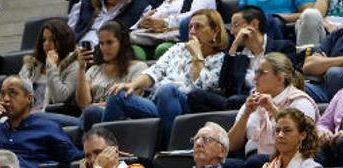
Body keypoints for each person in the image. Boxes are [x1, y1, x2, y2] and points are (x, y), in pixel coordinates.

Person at [103, 9, 228, 147]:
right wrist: (132, 85)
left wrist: (197, 56)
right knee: (117, 94)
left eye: (198, 27)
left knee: (167, 90)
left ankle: (169, 149)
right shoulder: (178, 48)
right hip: (157, 101)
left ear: (215, 31)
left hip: (186, 104)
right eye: (190, 27)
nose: (192, 31)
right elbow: (155, 71)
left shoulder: (220, 59)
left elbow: (202, 86)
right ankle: (105, 153)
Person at [187, 7, 298, 115]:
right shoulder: (239, 53)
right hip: (240, 101)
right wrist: (234, 46)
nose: (231, 31)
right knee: (195, 96)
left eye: (236, 25)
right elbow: (224, 85)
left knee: (234, 101)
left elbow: (287, 81)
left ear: (254, 24)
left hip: (270, 99)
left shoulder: (283, 47)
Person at [226, 52, 319, 168]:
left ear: (280, 78)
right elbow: (231, 145)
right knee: (216, 164)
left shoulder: (300, 102)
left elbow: (305, 140)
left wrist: (272, 108)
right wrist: (246, 114)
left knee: (256, 162)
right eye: (255, 73)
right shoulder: (253, 101)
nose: (255, 78)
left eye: (261, 73)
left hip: (286, 161)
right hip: (250, 159)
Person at [75, 20, 149, 131]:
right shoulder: (94, 70)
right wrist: (81, 68)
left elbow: (129, 101)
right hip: (87, 118)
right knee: (42, 118)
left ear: (122, 43)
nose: (104, 48)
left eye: (109, 43)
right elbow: (83, 103)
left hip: (121, 120)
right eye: (101, 43)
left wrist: (93, 107)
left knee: (92, 112)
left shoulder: (138, 67)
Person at [19, 19, 80, 124]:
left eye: (52, 39)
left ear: (63, 40)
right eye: (44, 40)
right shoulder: (32, 65)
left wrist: (51, 66)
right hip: (27, 116)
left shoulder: (74, 65)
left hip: (52, 118)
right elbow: (17, 91)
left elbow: (59, 98)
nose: (46, 44)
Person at [129, 0, 217, 55]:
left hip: (180, 34)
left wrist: (165, 23)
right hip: (154, 33)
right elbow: (150, 17)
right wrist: (143, 23)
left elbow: (197, 15)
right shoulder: (162, 2)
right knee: (130, 37)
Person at [67, 0, 152, 48]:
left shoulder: (142, 9)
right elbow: (67, 34)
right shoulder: (84, 4)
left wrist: (139, 25)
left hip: (108, 56)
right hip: (76, 53)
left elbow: (137, 36)